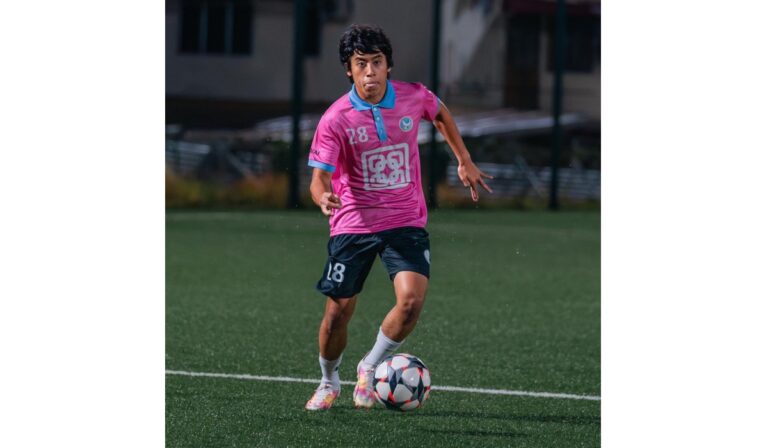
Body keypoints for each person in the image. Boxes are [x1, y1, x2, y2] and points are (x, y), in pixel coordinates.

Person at [305, 24, 492, 411]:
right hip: (353, 223)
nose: (370, 71)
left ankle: (370, 366)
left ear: (388, 65)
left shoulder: (412, 96)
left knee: (410, 302)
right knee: (337, 313)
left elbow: (439, 113)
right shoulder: (335, 119)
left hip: (405, 219)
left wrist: (464, 159)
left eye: (377, 62)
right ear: (349, 70)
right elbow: (318, 178)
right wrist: (323, 197)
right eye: (361, 63)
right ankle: (328, 381)